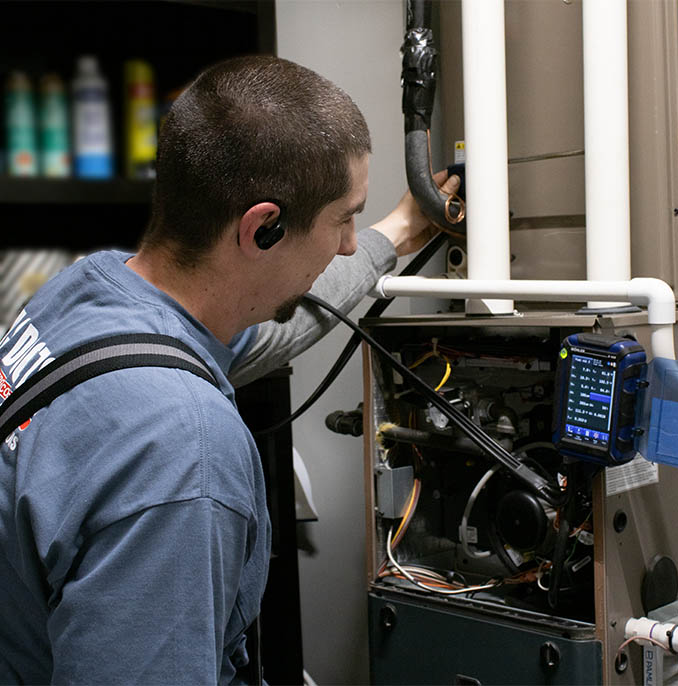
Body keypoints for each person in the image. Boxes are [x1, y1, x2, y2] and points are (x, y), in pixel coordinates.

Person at [0, 55, 458, 684]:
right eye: (343, 218)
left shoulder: (90, 294)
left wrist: (397, 232)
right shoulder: (182, 449)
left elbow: (270, 332)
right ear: (263, 228)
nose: (349, 244)